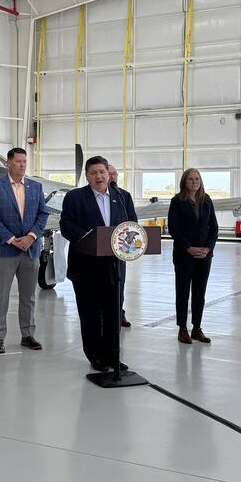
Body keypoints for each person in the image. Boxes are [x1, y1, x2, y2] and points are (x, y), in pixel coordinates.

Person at [60, 156, 138, 372]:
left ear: (108, 173)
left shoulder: (122, 197)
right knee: (90, 314)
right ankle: (96, 356)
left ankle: (113, 356)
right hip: (85, 266)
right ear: (87, 176)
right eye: (93, 173)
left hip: (114, 266)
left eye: (102, 172)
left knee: (114, 314)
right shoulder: (75, 197)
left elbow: (132, 224)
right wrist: (88, 236)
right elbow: (66, 224)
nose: (99, 176)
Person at [0, 147, 49, 354]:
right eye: (18, 161)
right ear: (8, 163)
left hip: (30, 250)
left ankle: (27, 334)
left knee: (28, 297)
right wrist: (12, 239)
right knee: (0, 296)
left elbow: (43, 214)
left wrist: (31, 237)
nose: (22, 164)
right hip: (5, 250)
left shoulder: (36, 187)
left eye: (24, 161)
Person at [168, 168, 218, 344]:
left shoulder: (207, 200)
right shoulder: (177, 201)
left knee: (200, 292)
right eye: (190, 179)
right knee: (182, 292)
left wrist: (208, 248)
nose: (194, 182)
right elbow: (173, 229)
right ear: (184, 182)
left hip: (204, 255)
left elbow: (214, 228)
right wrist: (189, 248)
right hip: (184, 254)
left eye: (197, 179)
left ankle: (197, 327)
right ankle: (182, 328)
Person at [107, 163, 132, 328]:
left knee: (119, 282)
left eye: (115, 174)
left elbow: (132, 221)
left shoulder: (124, 196)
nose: (113, 177)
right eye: (110, 174)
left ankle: (119, 312)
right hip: (98, 250)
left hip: (119, 249)